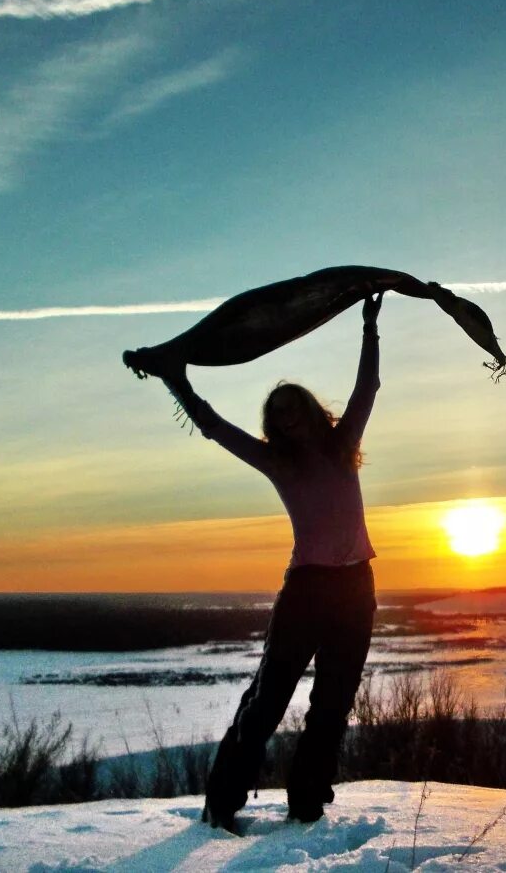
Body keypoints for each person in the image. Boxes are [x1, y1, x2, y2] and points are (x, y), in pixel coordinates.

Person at [162, 292, 384, 831]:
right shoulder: (276, 462)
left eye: (294, 408)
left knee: (332, 706)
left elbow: (367, 388)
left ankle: (306, 804)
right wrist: (178, 381)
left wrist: (369, 327)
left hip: (356, 589)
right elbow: (216, 429)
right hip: (306, 590)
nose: (287, 420)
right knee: (268, 700)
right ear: (275, 425)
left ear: (309, 409)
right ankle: (222, 802)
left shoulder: (342, 445)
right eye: (277, 415)